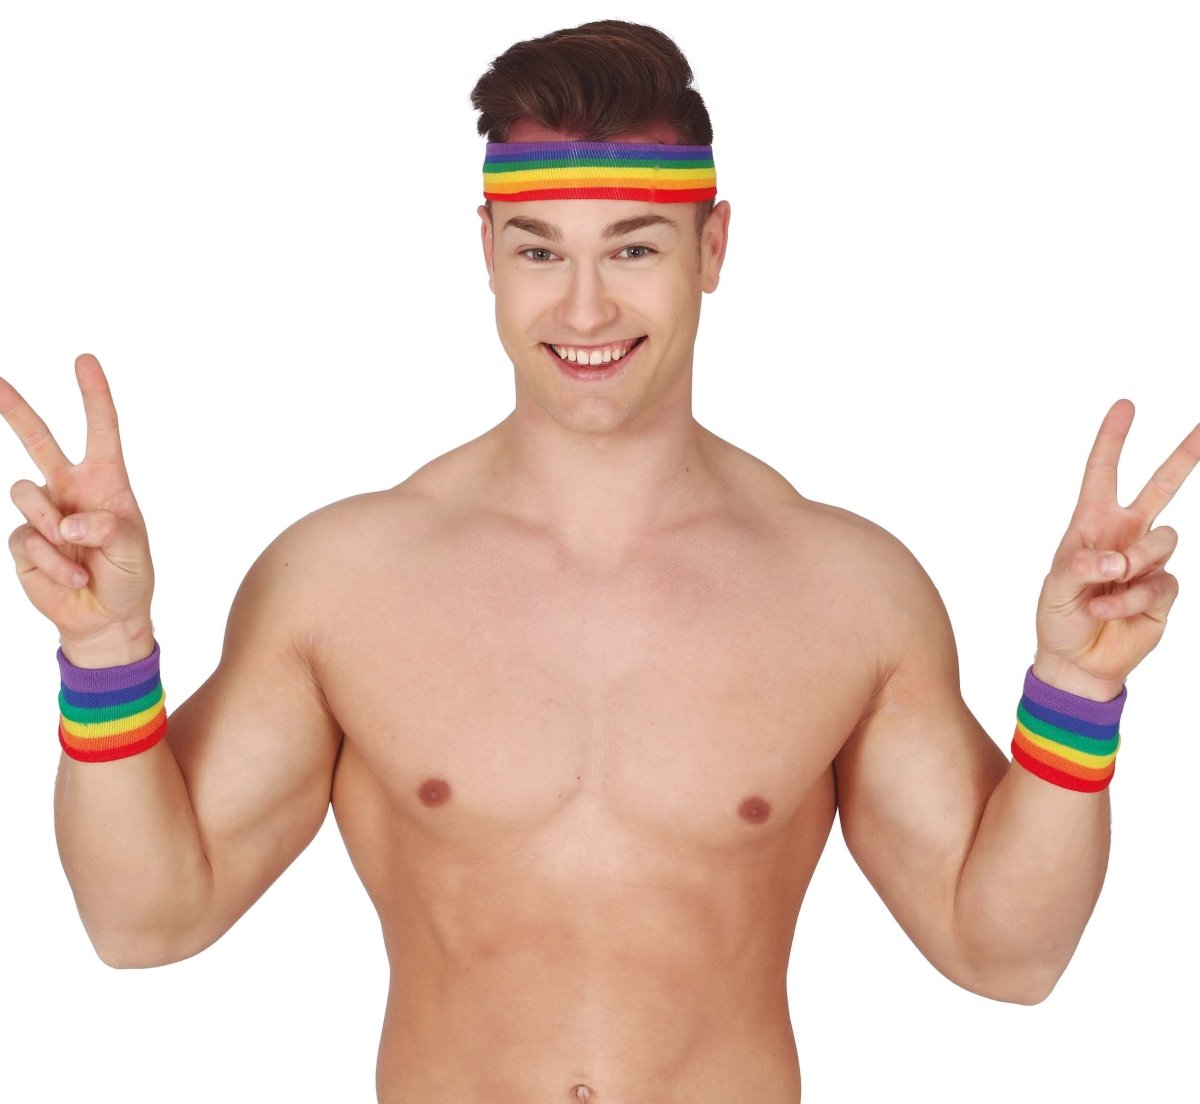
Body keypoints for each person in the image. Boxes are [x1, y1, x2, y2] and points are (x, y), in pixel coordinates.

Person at [1, 18, 1196, 1104]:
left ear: (712, 246)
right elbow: (143, 923)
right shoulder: (342, 583)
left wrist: (1076, 687)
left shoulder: (847, 593)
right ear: (485, 251)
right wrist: (106, 650)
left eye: (632, 250)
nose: (582, 311)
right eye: (539, 253)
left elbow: (1008, 955)